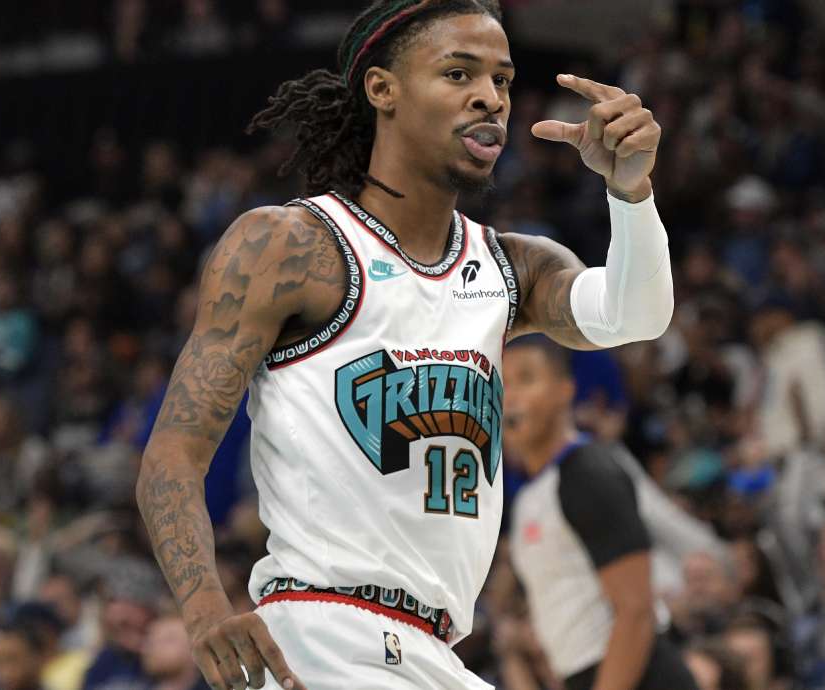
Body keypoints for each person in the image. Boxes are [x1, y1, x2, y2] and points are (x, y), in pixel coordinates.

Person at [134, 0, 674, 688]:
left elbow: (637, 314)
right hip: (321, 637)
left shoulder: (509, 265)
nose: (489, 97)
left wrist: (631, 193)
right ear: (382, 90)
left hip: (431, 652)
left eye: (503, 81)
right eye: (458, 73)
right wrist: (207, 610)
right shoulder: (290, 246)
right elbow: (173, 454)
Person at [503, 336, 696, 690]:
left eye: (526, 379)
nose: (510, 396)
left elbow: (636, 611)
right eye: (502, 384)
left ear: (565, 391)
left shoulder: (586, 471)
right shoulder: (530, 495)